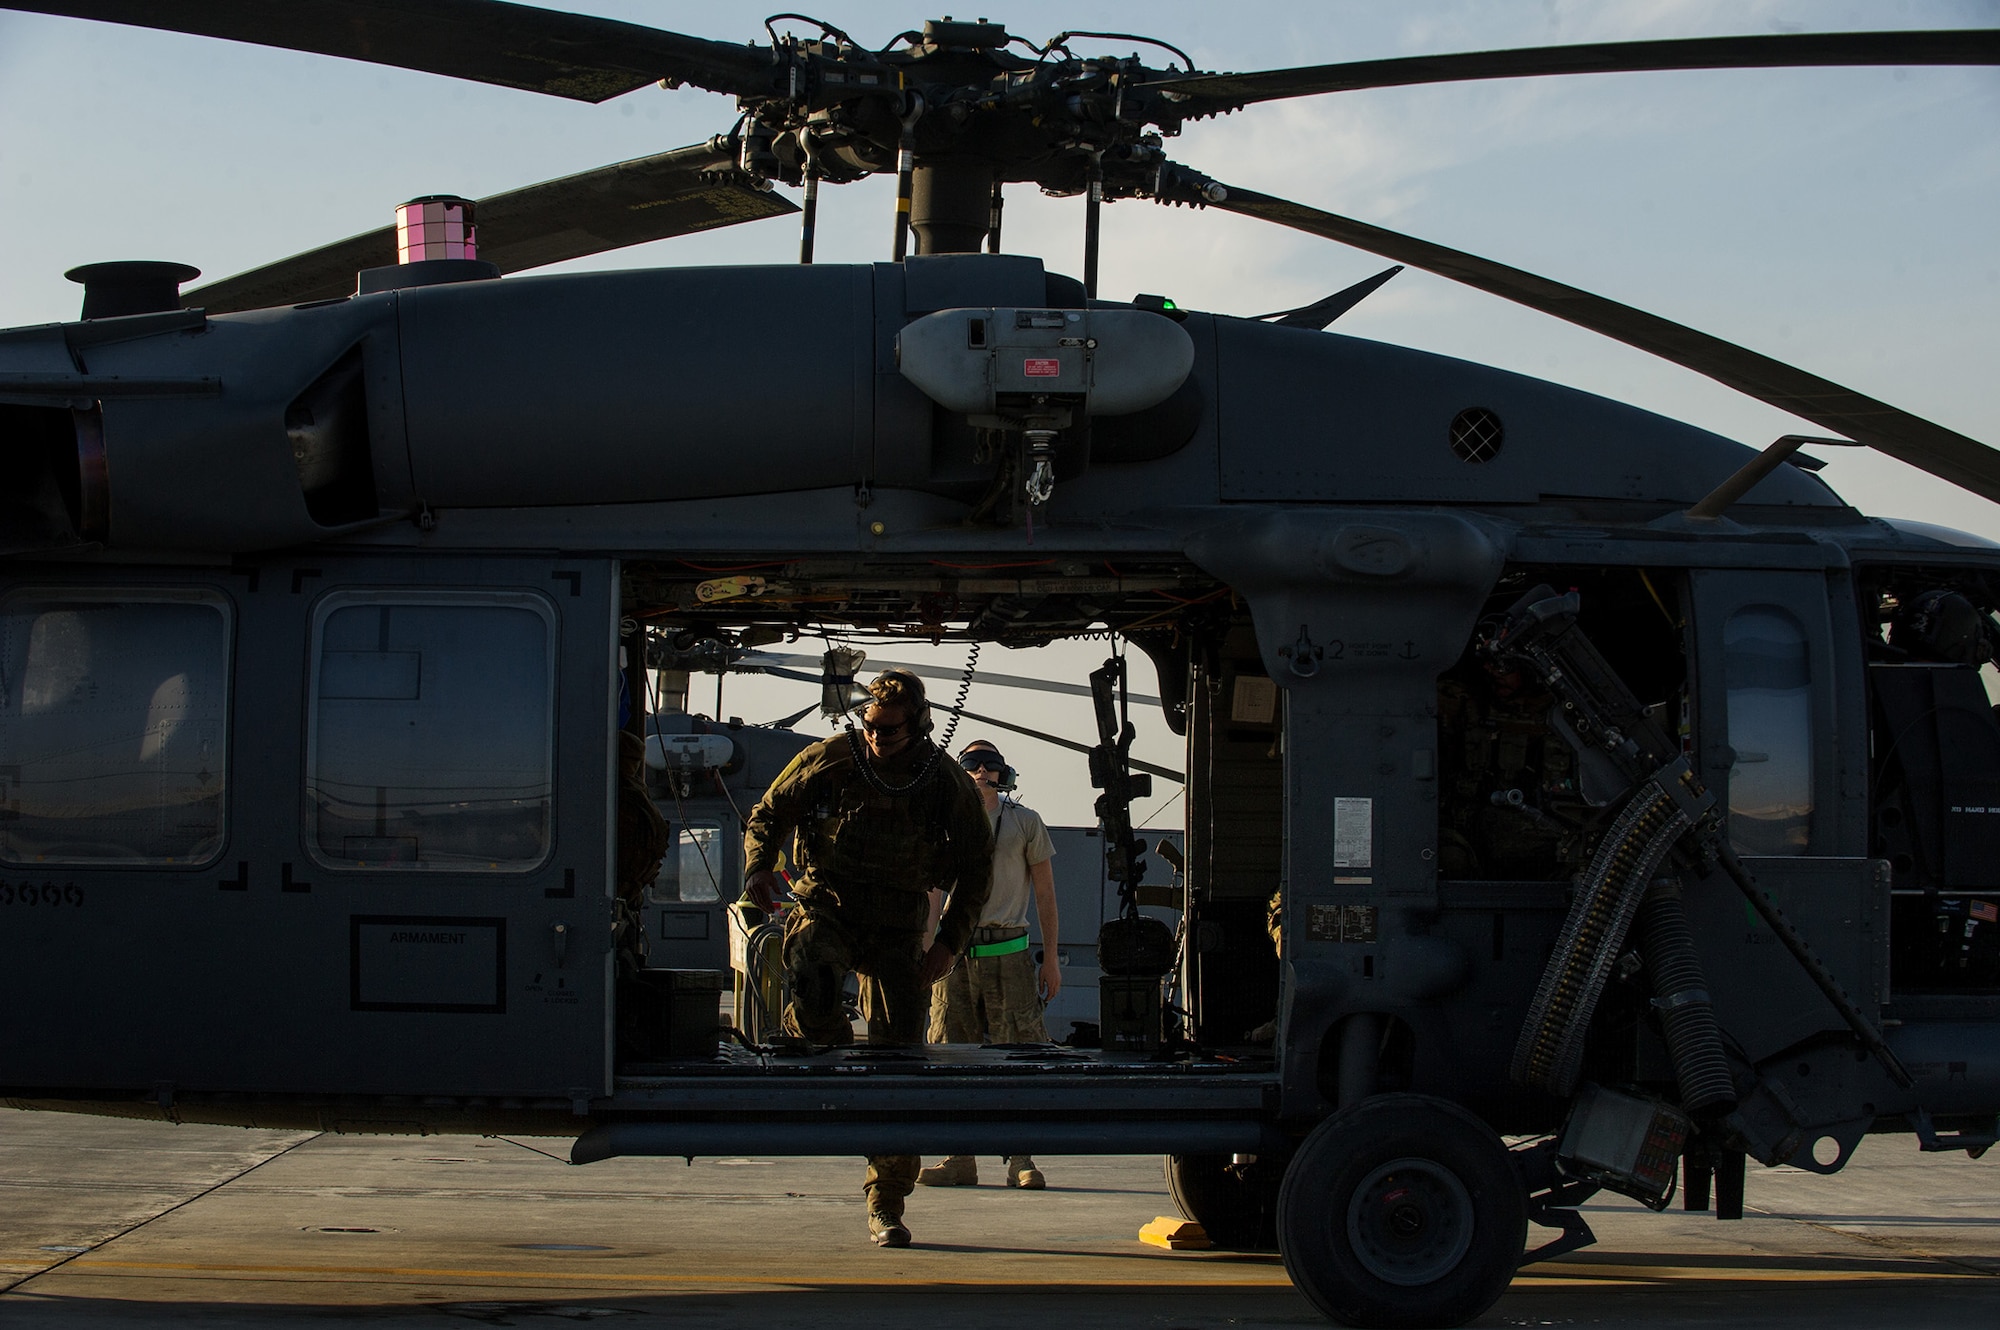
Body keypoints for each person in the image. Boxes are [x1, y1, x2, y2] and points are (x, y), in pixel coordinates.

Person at [741, 669, 993, 1248]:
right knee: (815, 984)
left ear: (919, 726)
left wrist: (948, 944)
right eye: (870, 727)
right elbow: (770, 812)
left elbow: (977, 868)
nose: (877, 738)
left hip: (898, 926)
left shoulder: (944, 783)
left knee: (901, 1064)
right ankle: (815, 1035)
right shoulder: (831, 757)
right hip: (827, 906)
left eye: (890, 731)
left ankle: (887, 1200)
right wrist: (759, 865)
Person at [917, 739, 1060, 1191]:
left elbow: (1045, 896)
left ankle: (1021, 1158)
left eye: (990, 765)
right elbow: (933, 897)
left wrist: (1051, 959)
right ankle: (960, 1157)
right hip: (954, 958)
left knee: (1015, 1058)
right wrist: (924, 956)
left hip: (1009, 958)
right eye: (972, 764)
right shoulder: (943, 825)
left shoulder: (1025, 823)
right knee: (952, 1056)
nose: (981, 771)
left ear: (1004, 773)